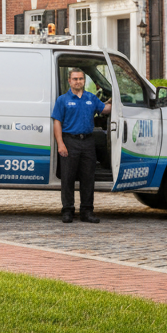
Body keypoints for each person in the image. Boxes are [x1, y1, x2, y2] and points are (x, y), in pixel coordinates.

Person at [52, 67, 111, 224]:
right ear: (69, 81)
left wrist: (116, 100)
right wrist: (60, 144)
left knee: (88, 178)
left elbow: (105, 109)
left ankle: (87, 211)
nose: (78, 81)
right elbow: (57, 123)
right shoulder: (62, 100)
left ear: (84, 81)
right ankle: (67, 211)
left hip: (88, 142)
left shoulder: (91, 98)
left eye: (81, 79)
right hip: (70, 142)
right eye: (75, 79)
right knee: (68, 178)